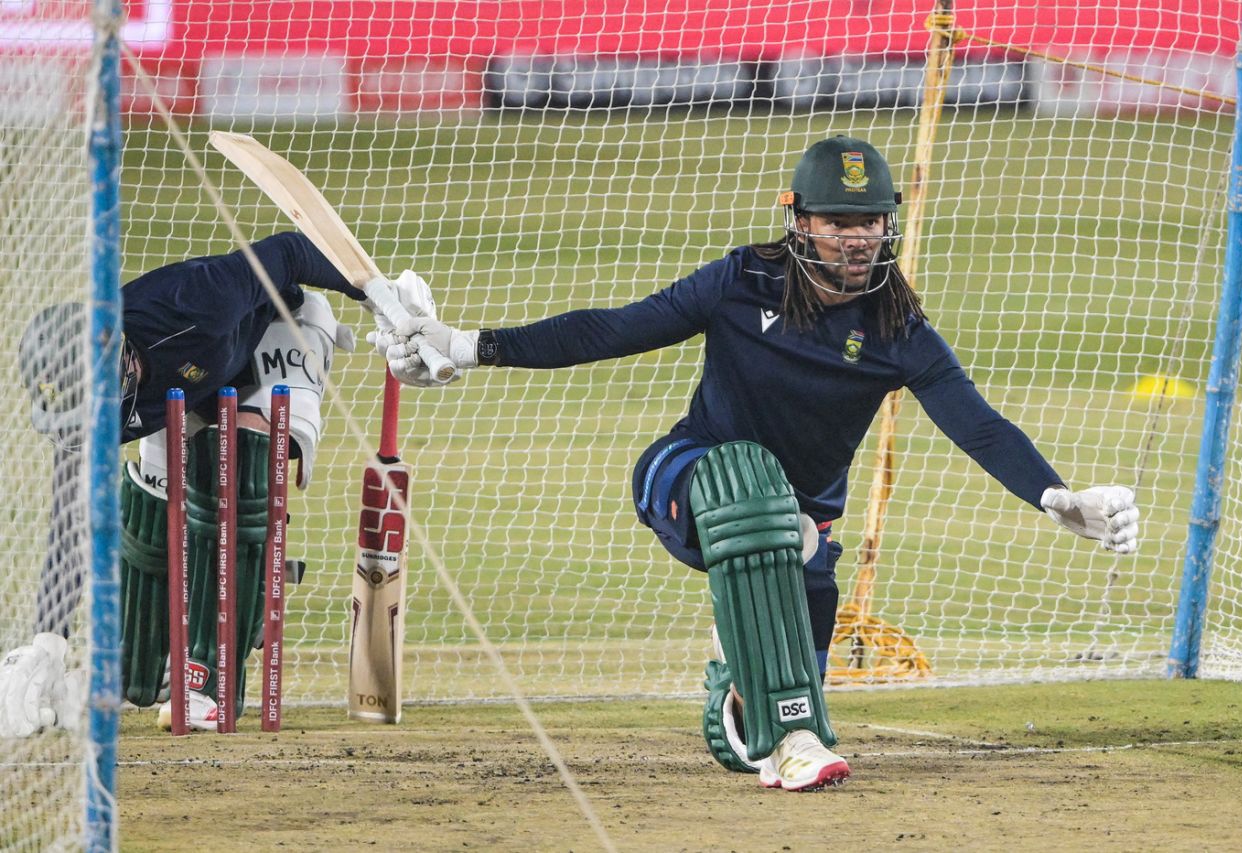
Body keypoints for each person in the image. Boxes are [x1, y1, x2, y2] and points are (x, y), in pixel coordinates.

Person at [373, 136, 1140, 792]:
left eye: (870, 221)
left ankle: (750, 703)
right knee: (756, 493)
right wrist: (473, 345)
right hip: (687, 477)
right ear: (800, 221)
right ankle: (787, 730)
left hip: (800, 530)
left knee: (793, 578)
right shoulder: (743, 281)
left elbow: (977, 423)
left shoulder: (898, 327)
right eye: (839, 222)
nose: (857, 237)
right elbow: (616, 328)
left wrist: (1054, 494)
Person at [0, 232, 423, 737]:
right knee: (152, 509)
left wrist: (374, 291)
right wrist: (48, 641)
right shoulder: (86, 407)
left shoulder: (199, 299)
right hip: (191, 385)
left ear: (121, 368)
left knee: (237, 473)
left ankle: (214, 677)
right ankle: (148, 665)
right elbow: (69, 525)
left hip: (274, 333)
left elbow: (288, 251)